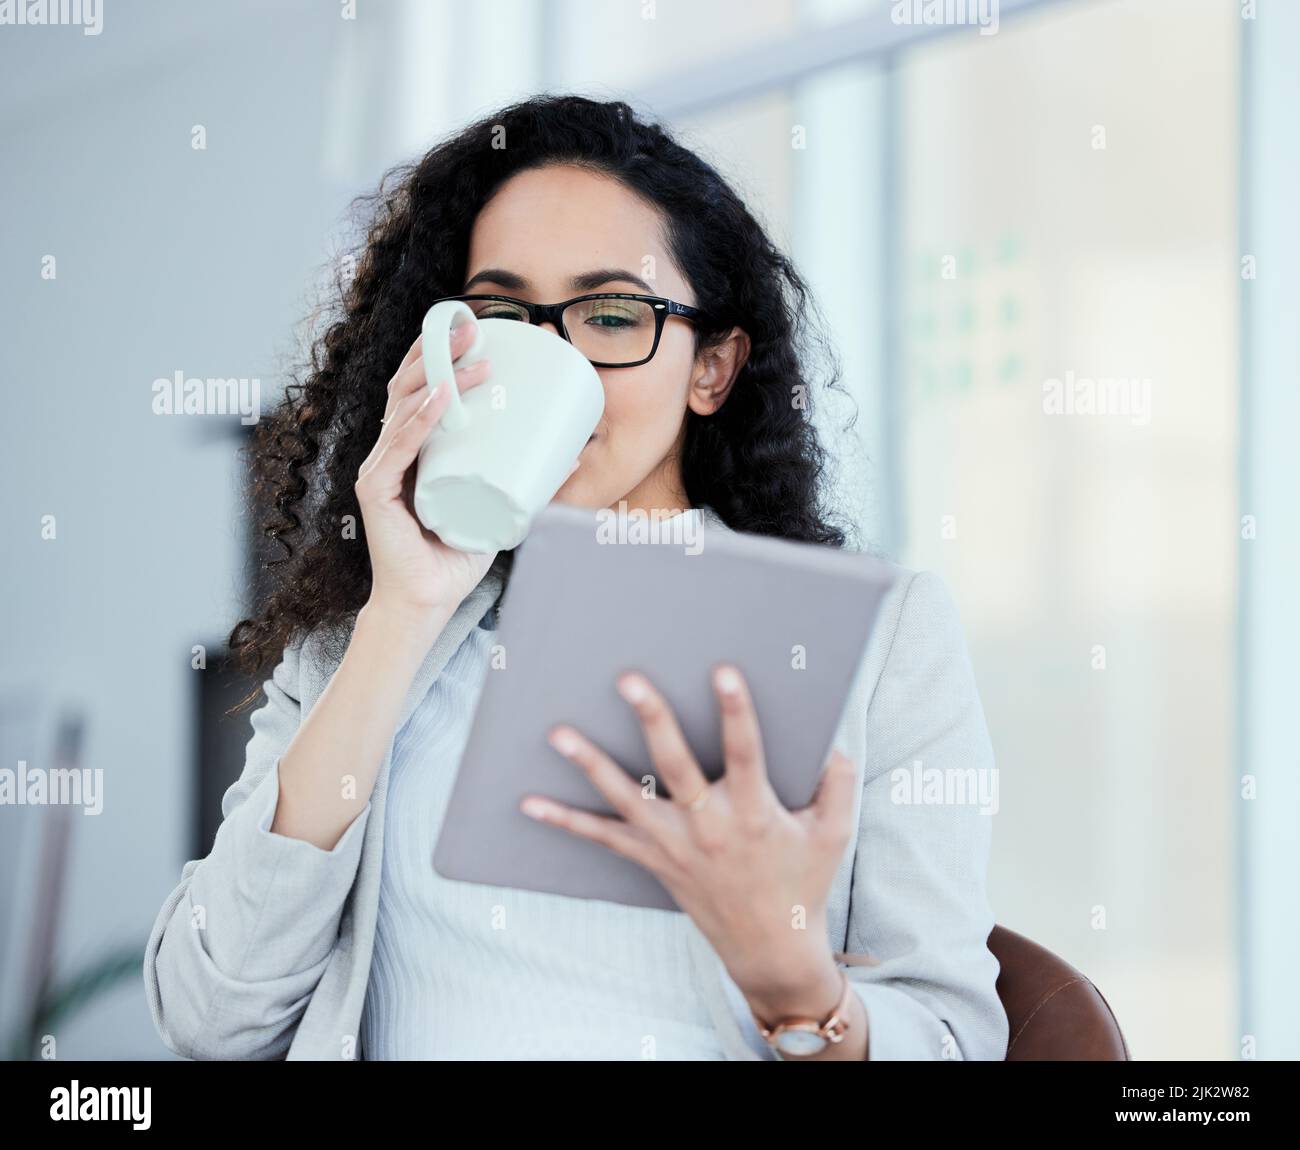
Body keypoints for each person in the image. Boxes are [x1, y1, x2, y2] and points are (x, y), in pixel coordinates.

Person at [143, 94, 1009, 1061]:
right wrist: (404, 613)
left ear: (711, 370)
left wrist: (790, 976)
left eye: (610, 314)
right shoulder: (361, 642)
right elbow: (208, 1022)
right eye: (503, 314)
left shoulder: (879, 641)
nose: (551, 360)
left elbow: (951, 1042)